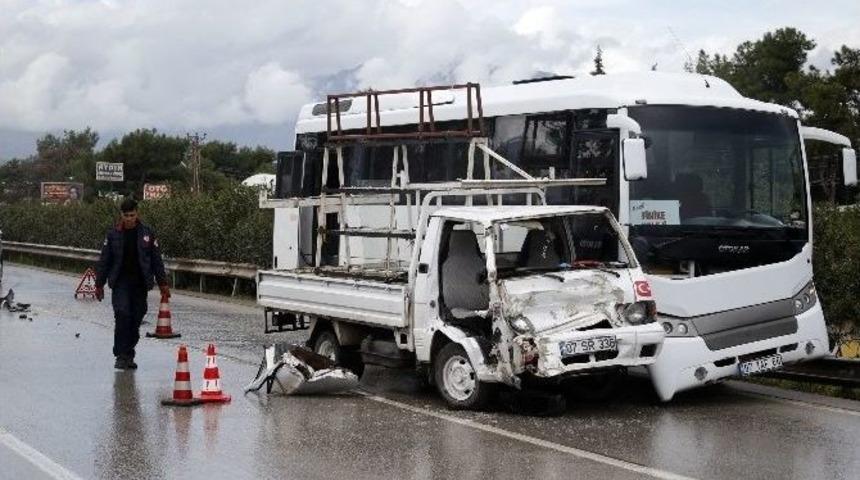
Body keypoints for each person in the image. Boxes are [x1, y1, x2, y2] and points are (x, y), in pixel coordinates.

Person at [95, 198, 170, 370]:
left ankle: (129, 353)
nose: (129, 219)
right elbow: (104, 260)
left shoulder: (147, 233)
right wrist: (99, 284)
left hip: (140, 283)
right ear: (121, 215)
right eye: (126, 215)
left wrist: (163, 284)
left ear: (137, 214)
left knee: (136, 317)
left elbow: (156, 260)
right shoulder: (113, 234)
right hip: (120, 282)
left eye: (132, 215)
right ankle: (121, 355)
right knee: (122, 315)